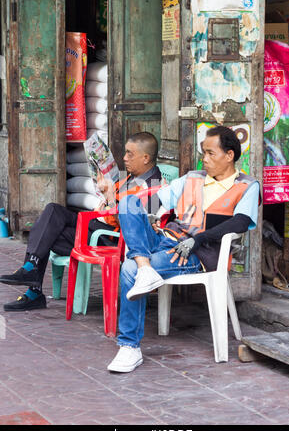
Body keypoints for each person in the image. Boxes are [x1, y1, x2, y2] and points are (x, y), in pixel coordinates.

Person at [107, 126, 260, 373]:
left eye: (211, 153)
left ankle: (129, 347)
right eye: (203, 153)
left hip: (197, 253)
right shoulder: (193, 178)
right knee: (128, 201)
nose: (205, 159)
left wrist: (199, 239)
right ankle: (145, 268)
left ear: (229, 155)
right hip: (167, 238)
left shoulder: (247, 186)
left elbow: (240, 222)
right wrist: (148, 213)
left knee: (128, 267)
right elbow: (155, 201)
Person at [0, 132, 162, 311]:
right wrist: (105, 195)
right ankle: (31, 271)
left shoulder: (155, 187)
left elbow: (135, 228)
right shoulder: (129, 177)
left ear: (146, 158)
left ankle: (33, 285)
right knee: (52, 213)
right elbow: (112, 205)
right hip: (98, 226)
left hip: (112, 239)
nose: (124, 158)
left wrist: (109, 199)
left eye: (130, 153)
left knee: (47, 231)